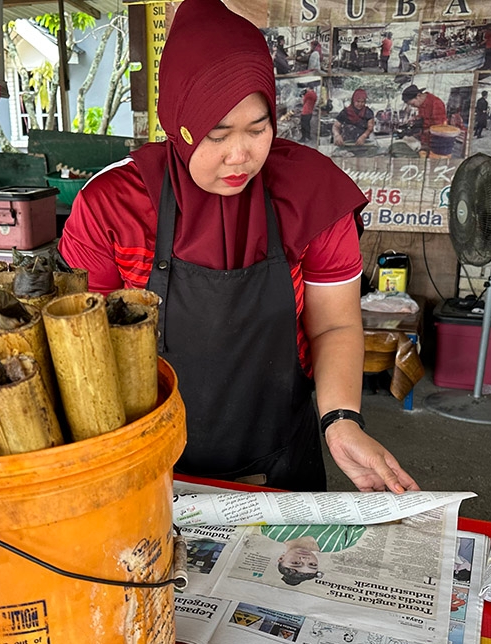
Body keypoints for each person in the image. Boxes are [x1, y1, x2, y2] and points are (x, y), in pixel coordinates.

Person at [59, 0, 418, 494]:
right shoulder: (113, 205)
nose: (240, 156)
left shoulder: (312, 195)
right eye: (217, 134)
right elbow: (84, 344)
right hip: (143, 462)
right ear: (178, 122)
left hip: (280, 459)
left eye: (258, 128)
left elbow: (334, 324)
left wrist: (341, 421)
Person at [265, 525, 366, 586]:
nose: (305, 559)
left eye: (296, 562)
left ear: (281, 558)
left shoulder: (272, 532)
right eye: (312, 564)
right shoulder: (338, 545)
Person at [401, 84, 447, 152]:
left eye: (413, 104)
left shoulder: (436, 103)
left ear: (418, 96)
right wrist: (416, 119)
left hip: (435, 144)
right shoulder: (421, 103)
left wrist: (421, 132)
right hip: (424, 141)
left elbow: (439, 128)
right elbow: (424, 118)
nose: (413, 106)